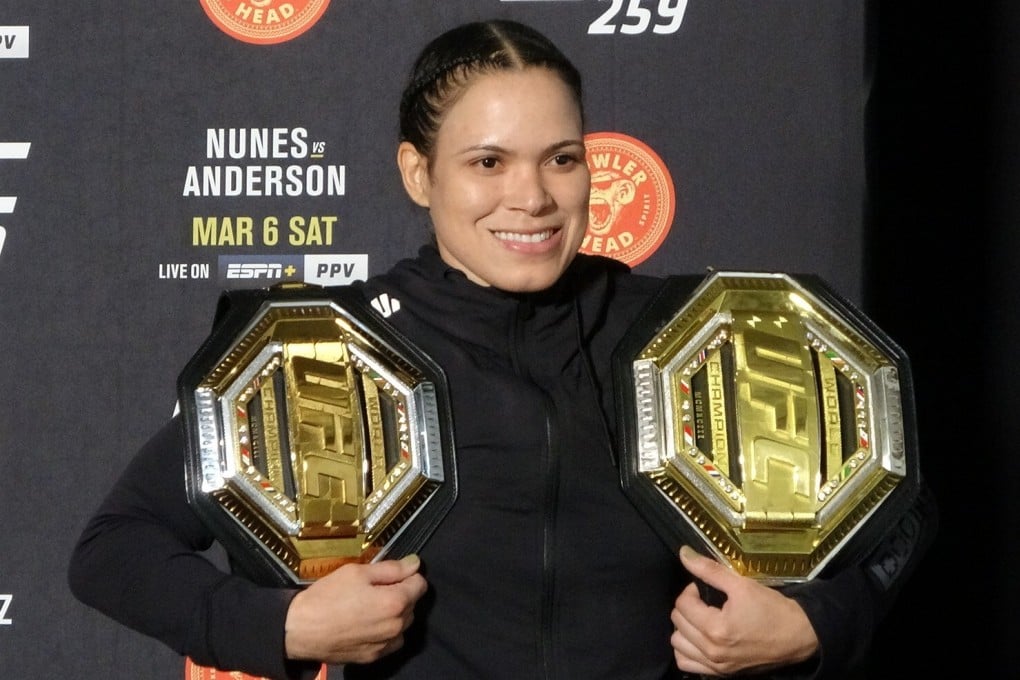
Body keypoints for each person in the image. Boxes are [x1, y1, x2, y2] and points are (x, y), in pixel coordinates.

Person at [68, 18, 937, 680]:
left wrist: (821, 621)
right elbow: (115, 548)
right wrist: (280, 629)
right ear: (420, 174)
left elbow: (905, 517)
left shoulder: (696, 334)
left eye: (561, 159)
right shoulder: (328, 352)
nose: (532, 196)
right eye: (488, 162)